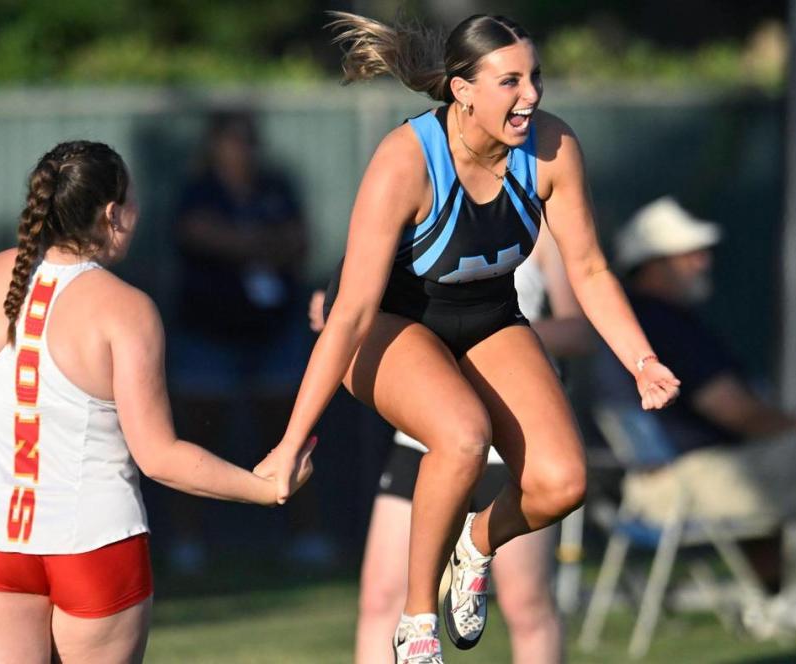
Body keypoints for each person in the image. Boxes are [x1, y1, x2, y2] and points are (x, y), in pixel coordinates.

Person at [254, 13, 680, 663]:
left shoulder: (551, 148)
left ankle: (475, 544)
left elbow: (589, 269)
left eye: (534, 76)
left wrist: (640, 359)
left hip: (486, 319)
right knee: (460, 434)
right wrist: (291, 442)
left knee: (560, 484)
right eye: (510, 80)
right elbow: (349, 315)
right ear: (464, 91)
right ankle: (418, 622)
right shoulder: (406, 159)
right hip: (391, 326)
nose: (530, 95)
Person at [0, 140, 314, 663]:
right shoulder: (126, 309)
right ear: (111, 214)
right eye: (132, 200)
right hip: (96, 547)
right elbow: (159, 456)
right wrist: (264, 489)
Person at [590, 196, 796, 646]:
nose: (703, 261)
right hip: (674, 486)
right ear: (653, 265)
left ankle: (775, 599)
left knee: (785, 460)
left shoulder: (655, 318)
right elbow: (735, 411)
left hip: (685, 477)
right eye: (688, 253)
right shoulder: (658, 323)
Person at [311, 227, 591, 663]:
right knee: (382, 594)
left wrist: (493, 331)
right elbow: (357, 305)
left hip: (511, 432)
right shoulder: (422, 206)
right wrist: (351, 311)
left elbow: (579, 330)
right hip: (427, 435)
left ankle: (476, 542)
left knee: (525, 601)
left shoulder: (536, 213)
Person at [168, 110, 316, 571]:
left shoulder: (276, 188)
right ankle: (189, 542)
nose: (242, 150)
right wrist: (257, 243)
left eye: (249, 140)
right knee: (194, 438)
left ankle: (304, 536)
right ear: (215, 146)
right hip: (208, 333)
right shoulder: (198, 191)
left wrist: (241, 242)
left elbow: (298, 240)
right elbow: (198, 234)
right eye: (233, 141)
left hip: (272, 331)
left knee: (289, 435)